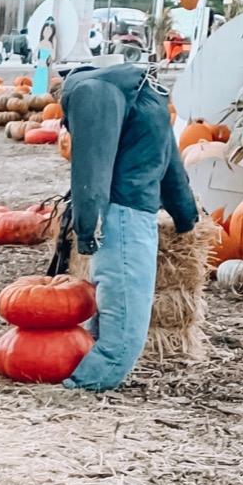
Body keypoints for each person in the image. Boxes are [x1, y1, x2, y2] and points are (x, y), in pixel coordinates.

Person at [61, 65, 199, 390]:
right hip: (133, 210)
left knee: (122, 313)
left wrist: (86, 227)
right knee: (123, 310)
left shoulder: (94, 92)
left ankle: (86, 378)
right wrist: (185, 214)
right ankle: (84, 382)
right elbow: (168, 160)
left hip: (123, 210)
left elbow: (90, 168)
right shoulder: (146, 92)